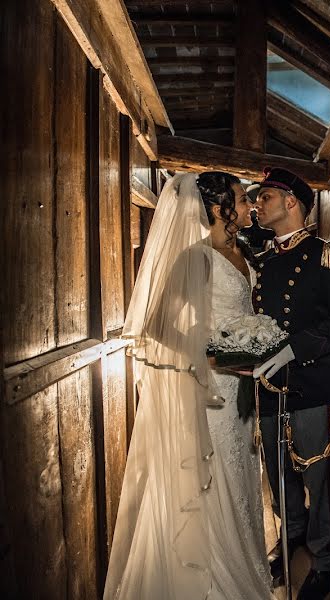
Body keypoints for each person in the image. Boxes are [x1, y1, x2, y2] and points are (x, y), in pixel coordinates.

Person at [104, 172, 272, 599]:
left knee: (244, 482)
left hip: (243, 388)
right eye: (241, 198)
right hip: (212, 389)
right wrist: (210, 355)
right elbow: (156, 323)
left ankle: (247, 568)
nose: (250, 204)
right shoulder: (197, 258)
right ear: (220, 209)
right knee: (217, 483)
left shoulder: (242, 253)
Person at [250, 167, 330, 599]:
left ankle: (324, 558)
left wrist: (297, 348)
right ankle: (292, 537)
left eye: (265, 197)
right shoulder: (261, 260)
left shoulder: (328, 253)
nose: (258, 205)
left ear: (291, 201)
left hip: (312, 382)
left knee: (316, 474)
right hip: (266, 386)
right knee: (279, 475)